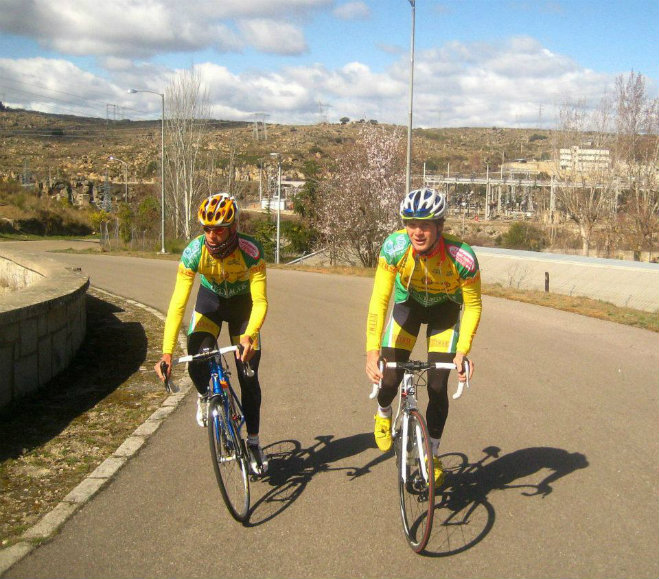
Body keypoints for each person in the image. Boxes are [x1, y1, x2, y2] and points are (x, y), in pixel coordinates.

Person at [365, 187, 482, 485]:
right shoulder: (394, 248)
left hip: (445, 313)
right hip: (409, 308)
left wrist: (462, 351)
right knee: (389, 377)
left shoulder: (463, 258)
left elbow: (473, 306)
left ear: (440, 227)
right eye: (411, 224)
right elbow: (380, 299)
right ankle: (383, 411)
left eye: (426, 225)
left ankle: (432, 454)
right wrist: (371, 350)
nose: (417, 232)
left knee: (437, 384)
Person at [155, 193, 269, 473]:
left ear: (233, 227)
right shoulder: (194, 252)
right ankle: (207, 396)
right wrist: (167, 352)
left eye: (218, 229)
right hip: (211, 304)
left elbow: (261, 301)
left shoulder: (251, 251)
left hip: (243, 309)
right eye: (206, 229)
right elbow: (178, 304)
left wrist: (249, 335)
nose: (212, 235)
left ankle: (253, 443)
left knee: (248, 376)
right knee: (197, 357)